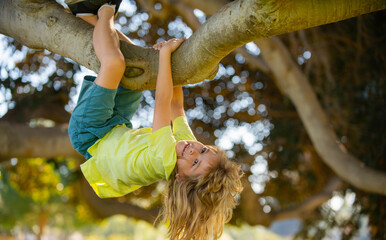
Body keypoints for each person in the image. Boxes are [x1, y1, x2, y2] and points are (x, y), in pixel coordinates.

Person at [66, 1, 243, 239]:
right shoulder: (185, 147)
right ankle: (86, 16)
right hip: (115, 126)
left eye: (194, 163)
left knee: (115, 64)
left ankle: (105, 8)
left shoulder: (163, 158)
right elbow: (176, 106)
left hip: (89, 133)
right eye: (203, 151)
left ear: (180, 179)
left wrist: (165, 55)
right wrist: (173, 64)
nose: (193, 151)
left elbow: (162, 100)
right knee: (138, 66)